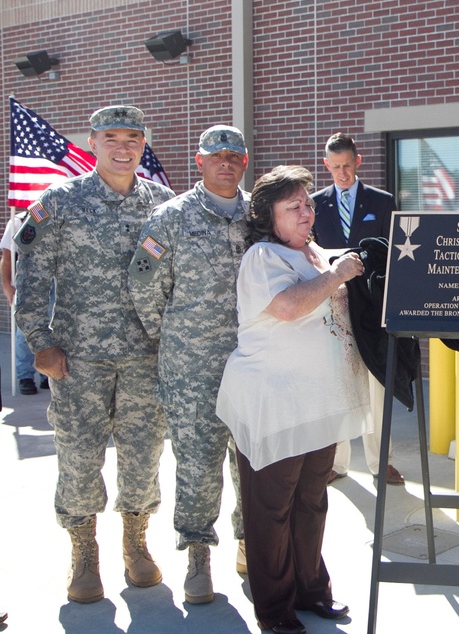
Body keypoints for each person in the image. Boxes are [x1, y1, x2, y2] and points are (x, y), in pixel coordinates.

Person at [14, 105, 175, 603]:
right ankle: (83, 552)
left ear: (143, 143)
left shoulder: (164, 204)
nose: (123, 147)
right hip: (76, 357)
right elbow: (31, 276)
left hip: (145, 356)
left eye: (133, 138)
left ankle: (136, 540)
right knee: (80, 455)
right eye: (111, 138)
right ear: (94, 141)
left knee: (144, 454)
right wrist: (39, 343)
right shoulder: (60, 201)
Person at [216, 165, 370, 634]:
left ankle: (312, 589)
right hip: (274, 404)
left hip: (318, 405)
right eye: (294, 207)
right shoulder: (263, 257)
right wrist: (339, 273)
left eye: (308, 204)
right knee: (271, 508)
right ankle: (275, 609)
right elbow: (286, 307)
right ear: (267, 216)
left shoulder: (316, 252)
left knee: (311, 500)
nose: (307, 213)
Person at [128, 125, 251, 604]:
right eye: (216, 155)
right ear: (198, 162)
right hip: (190, 368)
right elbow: (143, 285)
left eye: (234, 155)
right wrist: (176, 335)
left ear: (244, 162)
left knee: (251, 461)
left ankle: (249, 542)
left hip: (251, 363)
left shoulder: (258, 216)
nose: (226, 161)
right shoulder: (170, 217)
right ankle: (198, 555)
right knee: (197, 464)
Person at [311, 132, 402, 485]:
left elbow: (395, 253)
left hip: (373, 306)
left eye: (347, 166)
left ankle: (381, 463)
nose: (342, 173)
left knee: (376, 385)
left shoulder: (382, 202)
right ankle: (337, 462)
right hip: (333, 307)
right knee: (337, 383)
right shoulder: (315, 205)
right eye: (335, 168)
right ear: (326, 166)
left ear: (358, 161)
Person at [1, 213, 48, 395]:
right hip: (27, 285)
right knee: (24, 334)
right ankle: (25, 376)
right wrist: (6, 285)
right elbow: (7, 255)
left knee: (53, 330)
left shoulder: (59, 216)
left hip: (55, 285)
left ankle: (46, 374)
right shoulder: (18, 221)